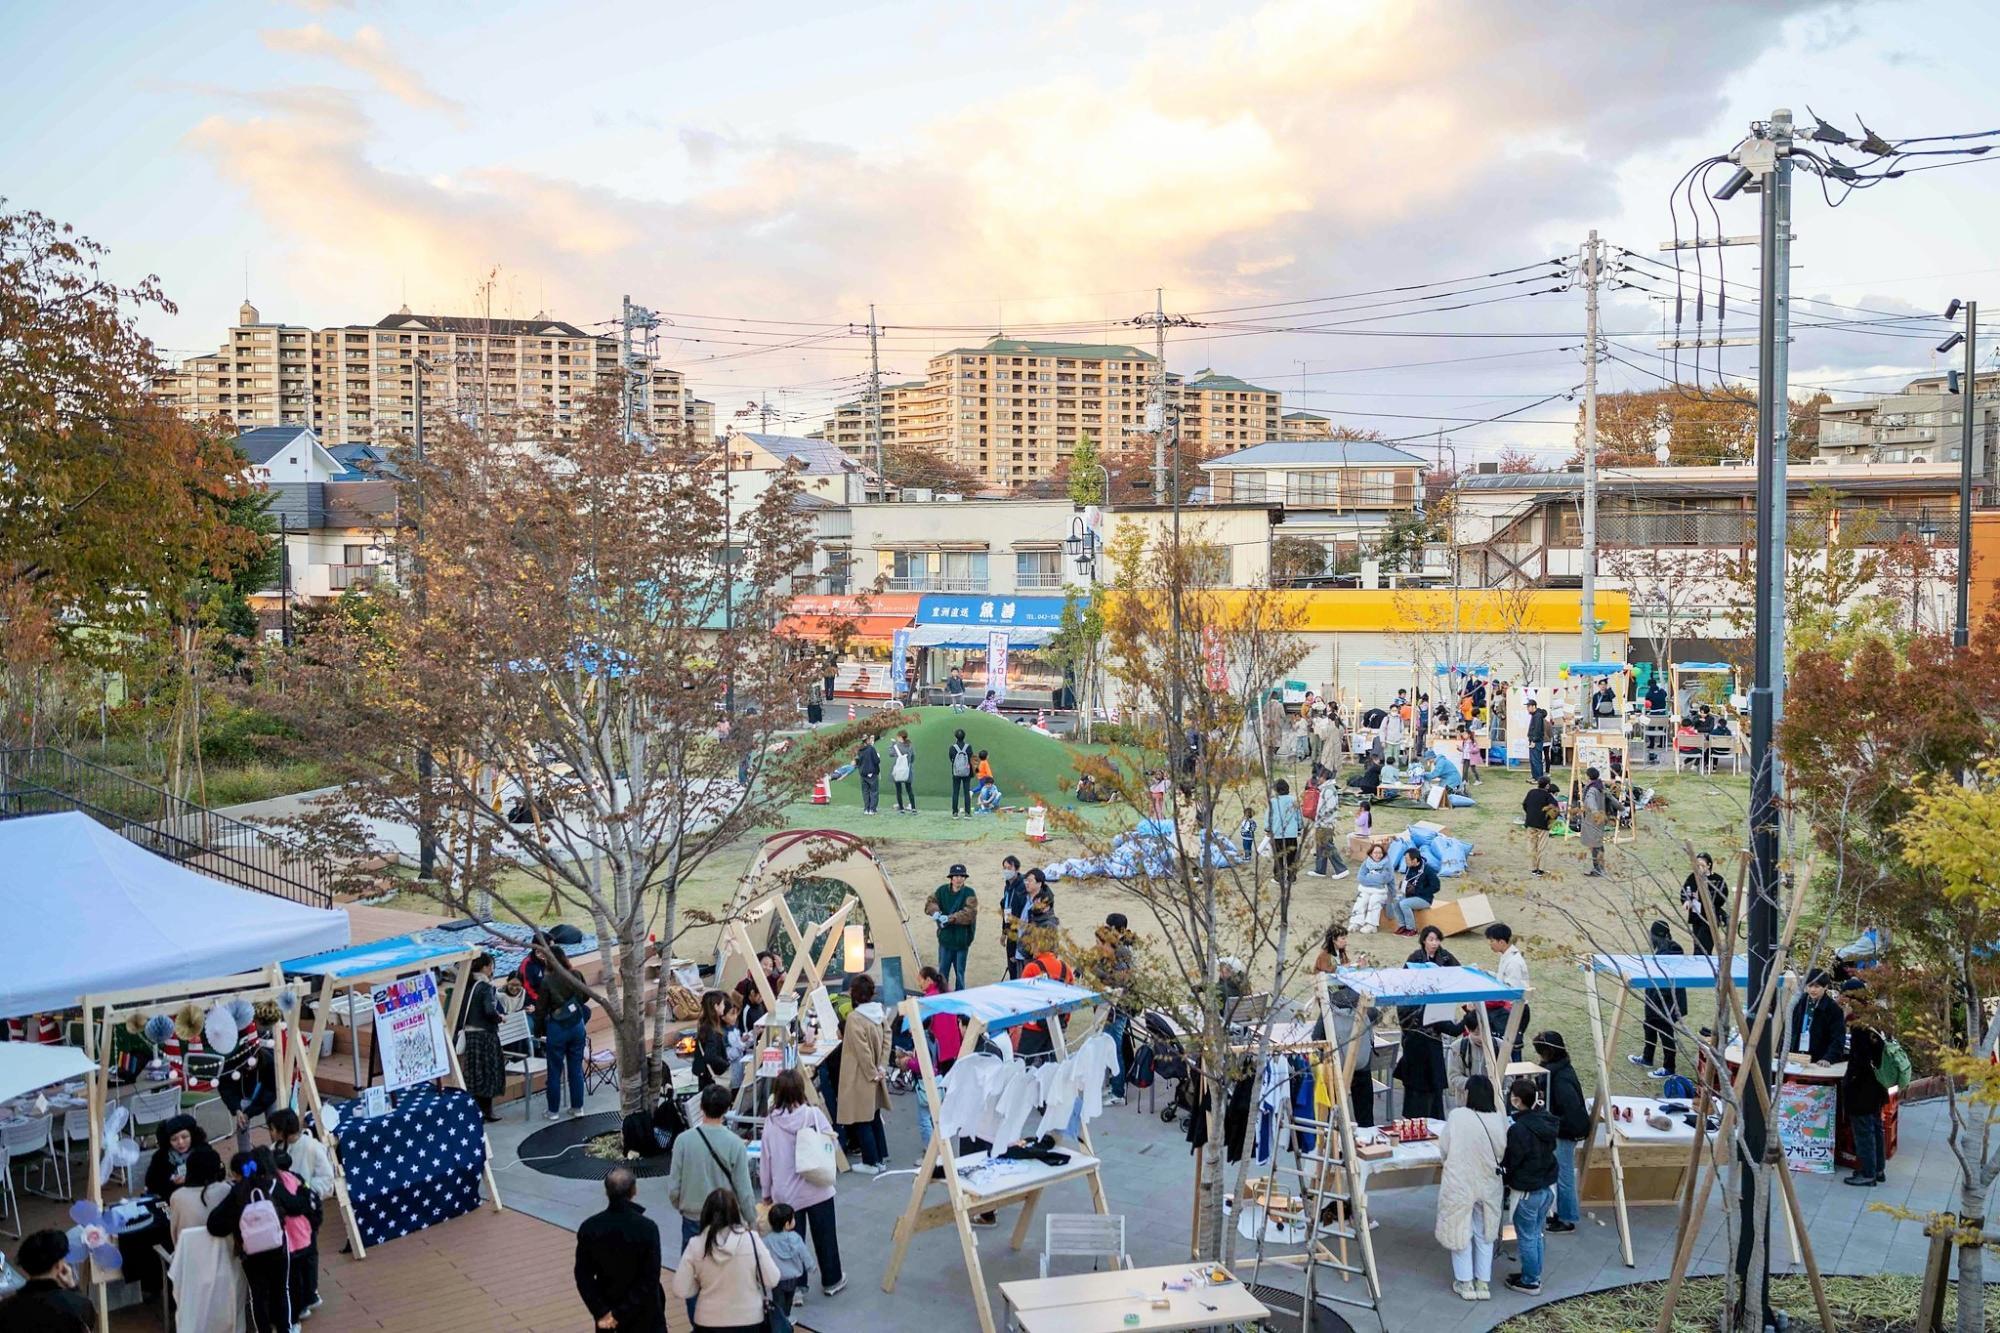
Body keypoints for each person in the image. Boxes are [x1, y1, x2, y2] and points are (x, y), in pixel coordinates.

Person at [206, 1147, 310, 1333]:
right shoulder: (271, 1185)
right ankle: (285, 1328)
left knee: (257, 1295)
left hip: (250, 1252)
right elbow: (296, 1206)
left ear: (236, 1173)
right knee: (281, 1290)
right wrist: (303, 1189)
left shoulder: (237, 1192)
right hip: (278, 1247)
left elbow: (214, 1224)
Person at [1436, 1074, 1507, 1302]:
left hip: (1460, 1181)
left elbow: (1444, 1147)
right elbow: (1503, 1151)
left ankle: (1465, 1282)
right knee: (1485, 1232)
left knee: (1459, 1231)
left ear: (1469, 1094)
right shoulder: (1499, 1119)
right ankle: (1483, 1283)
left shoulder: (1457, 1116)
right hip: (1489, 1182)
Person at [672, 1188, 782, 1333]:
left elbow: (680, 1289)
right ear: (736, 1212)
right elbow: (772, 1279)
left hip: (707, 1320)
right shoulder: (751, 1239)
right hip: (750, 1319)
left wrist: (699, 1284)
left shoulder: (696, 1244)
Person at [668, 1084, 758, 1260]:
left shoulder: (683, 1141)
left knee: (692, 1272)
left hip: (693, 1216)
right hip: (726, 1218)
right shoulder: (736, 1144)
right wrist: (750, 1219)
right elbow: (744, 1189)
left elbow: (674, 1186)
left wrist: (681, 1205)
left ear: (701, 1107)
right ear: (726, 1110)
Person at [575, 1167, 668, 1333]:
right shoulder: (647, 1228)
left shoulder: (590, 1228)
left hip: (608, 1310)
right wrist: (622, 1312)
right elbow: (650, 1277)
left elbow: (583, 1276)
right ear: (633, 1191)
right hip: (644, 1314)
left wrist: (602, 1311)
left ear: (607, 1192)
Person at [166, 1149, 246, 1333]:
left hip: (193, 1272)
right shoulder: (227, 1190)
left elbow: (177, 1238)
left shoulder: (177, 1198)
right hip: (228, 1269)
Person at [267, 1109, 332, 1316]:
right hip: (286, 1214)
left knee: (309, 1254)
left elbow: (327, 1178)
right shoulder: (274, 1149)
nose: (271, 1133)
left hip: (306, 1210)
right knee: (294, 1257)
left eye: (273, 1129)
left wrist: (304, 1190)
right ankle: (302, 1296)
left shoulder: (312, 1147)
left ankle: (309, 1294)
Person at [1500, 1077, 1559, 1295]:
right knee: (1536, 1233)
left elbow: (1513, 1160)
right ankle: (1532, 1274)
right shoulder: (1547, 1121)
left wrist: (1504, 1174)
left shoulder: (1519, 1130)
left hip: (1527, 1190)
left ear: (1516, 1100)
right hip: (1546, 1188)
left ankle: (1531, 1280)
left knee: (1526, 1236)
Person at [1393, 927, 1460, 1119]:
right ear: (1423, 940)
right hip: (1416, 1027)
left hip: (1437, 1013)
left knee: (1431, 1084)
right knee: (1416, 1084)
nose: (1434, 943)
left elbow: (1459, 975)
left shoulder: (1446, 957)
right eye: (1431, 939)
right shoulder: (1415, 957)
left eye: (1437, 939)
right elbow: (1404, 985)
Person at [1532, 1032, 1589, 1234]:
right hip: (1565, 1129)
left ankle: (1567, 1217)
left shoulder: (1559, 1079)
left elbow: (1570, 1110)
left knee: (1564, 1176)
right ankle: (1562, 1213)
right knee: (1561, 1175)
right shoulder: (1560, 1070)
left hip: (1566, 1132)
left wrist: (1553, 1125)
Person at [836, 974, 891, 1172]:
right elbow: (887, 1037)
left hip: (859, 1074)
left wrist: (871, 1072)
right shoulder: (879, 1012)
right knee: (874, 1115)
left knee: (861, 1117)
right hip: (876, 1071)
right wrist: (882, 1066)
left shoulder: (855, 1018)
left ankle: (870, 1162)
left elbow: (861, 1050)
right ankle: (880, 1158)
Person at [0, 1230, 92, 1332]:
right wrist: (73, 1287)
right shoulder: (78, 1305)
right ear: (59, 1265)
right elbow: (88, 1322)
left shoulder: (5, 1308)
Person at [1841, 992, 1889, 1187]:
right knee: (1875, 1127)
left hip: (1862, 1088)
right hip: (1877, 1085)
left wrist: (1848, 1081)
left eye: (1845, 1002)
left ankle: (1867, 1173)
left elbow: (1859, 1061)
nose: (1843, 1006)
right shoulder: (1875, 1022)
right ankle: (1878, 1169)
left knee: (1863, 1130)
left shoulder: (1859, 1029)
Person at [1631, 921, 1687, 1079]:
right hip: (1654, 999)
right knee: (1649, 1026)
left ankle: (1669, 1067)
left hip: (1666, 1002)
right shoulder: (1661, 951)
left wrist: (1660, 997)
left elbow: (1670, 983)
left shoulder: (1672, 952)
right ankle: (1647, 1058)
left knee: (1666, 1032)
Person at [540, 944, 591, 1119]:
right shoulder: (576, 975)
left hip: (557, 1028)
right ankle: (578, 1108)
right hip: (577, 1025)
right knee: (576, 1069)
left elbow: (541, 1009)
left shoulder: (547, 981)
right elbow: (586, 996)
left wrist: (540, 1031)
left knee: (554, 1070)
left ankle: (553, 1111)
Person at [1091, 913, 1137, 1104]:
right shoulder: (1110, 950)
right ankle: (1113, 1086)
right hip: (1110, 1004)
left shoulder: (1123, 952)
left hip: (1119, 1005)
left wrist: (1097, 971)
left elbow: (1122, 979)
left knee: (1115, 1048)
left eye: (1110, 928)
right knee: (1110, 1046)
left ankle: (1118, 1092)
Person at [459, 952, 506, 1121]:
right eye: (491, 966)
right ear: (486, 967)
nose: (492, 969)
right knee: (488, 1075)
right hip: (485, 1036)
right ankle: (488, 1111)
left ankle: (475, 1113)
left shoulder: (466, 986)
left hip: (470, 1037)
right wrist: (499, 1017)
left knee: (474, 1075)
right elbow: (489, 1011)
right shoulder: (485, 988)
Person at [923, 864, 978, 992]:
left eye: (962, 876)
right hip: (945, 941)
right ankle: (942, 997)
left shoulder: (970, 893)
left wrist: (950, 918)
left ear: (964, 878)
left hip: (961, 941)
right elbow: (930, 902)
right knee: (942, 975)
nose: (959, 879)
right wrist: (935, 911)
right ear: (951, 878)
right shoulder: (942, 890)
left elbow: (969, 913)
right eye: (956, 876)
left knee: (960, 975)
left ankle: (959, 1001)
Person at [1483, 924, 1530, 1059]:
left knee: (1512, 1046)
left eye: (1492, 941)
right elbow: (1503, 978)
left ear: (1501, 942)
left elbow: (1512, 990)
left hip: (1515, 1009)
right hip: (1509, 1008)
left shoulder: (1514, 962)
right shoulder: (1506, 956)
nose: (1490, 944)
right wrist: (1489, 974)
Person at [763, 1203, 817, 1317]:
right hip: (793, 1277)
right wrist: (811, 1266)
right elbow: (804, 1253)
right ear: (787, 1224)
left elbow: (762, 1256)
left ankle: (781, 1319)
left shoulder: (767, 1240)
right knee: (789, 1299)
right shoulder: (795, 1238)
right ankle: (787, 1316)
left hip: (777, 1278)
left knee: (778, 1300)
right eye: (793, 1218)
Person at [1788, 968, 1847, 1065]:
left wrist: (1828, 1058)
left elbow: (1838, 1037)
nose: (1812, 990)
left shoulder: (1833, 1009)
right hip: (1796, 1055)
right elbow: (1789, 1028)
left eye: (1817, 986)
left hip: (1819, 1058)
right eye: (1810, 986)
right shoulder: (1799, 1002)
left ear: (1825, 987)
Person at [145, 1113, 208, 1200]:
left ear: (192, 1136)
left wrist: (192, 1179)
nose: (180, 1142)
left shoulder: (203, 1151)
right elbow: (151, 1183)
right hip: (172, 1199)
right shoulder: (160, 1157)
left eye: (184, 1137)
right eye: (174, 1139)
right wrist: (172, 1183)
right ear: (168, 1141)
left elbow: (218, 1173)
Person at [1682, 852, 1728, 955]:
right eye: (1697, 865)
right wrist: (1686, 900)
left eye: (1702, 865)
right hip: (1696, 917)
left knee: (1703, 948)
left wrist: (1704, 896)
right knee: (1697, 945)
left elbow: (1721, 898)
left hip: (1709, 919)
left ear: (1709, 865)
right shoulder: (1692, 878)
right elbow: (1686, 890)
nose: (1699, 868)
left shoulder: (1717, 880)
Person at [1308, 768, 1349, 879]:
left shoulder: (1329, 790)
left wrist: (1321, 818)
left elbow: (1330, 808)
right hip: (1322, 823)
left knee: (1328, 846)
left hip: (1325, 823)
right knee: (1321, 847)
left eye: (1318, 777)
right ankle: (1320, 870)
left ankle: (1341, 869)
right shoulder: (1326, 789)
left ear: (1323, 777)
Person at [1390, 847, 1440, 935]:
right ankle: (1403, 926)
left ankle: (1411, 929)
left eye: (1407, 859)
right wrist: (1404, 885)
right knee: (1395, 900)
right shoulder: (1409, 867)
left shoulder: (1428, 870)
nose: (1405, 861)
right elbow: (1410, 881)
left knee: (1404, 904)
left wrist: (1417, 890)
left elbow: (1436, 887)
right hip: (1410, 896)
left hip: (1424, 898)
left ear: (1415, 860)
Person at [693, 989, 734, 1090]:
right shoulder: (711, 1029)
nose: (724, 1007)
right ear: (716, 1006)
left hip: (705, 1073)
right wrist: (726, 1064)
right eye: (722, 1004)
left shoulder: (705, 1025)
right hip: (711, 1076)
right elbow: (710, 1055)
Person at [998, 855, 1030, 979]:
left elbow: (1018, 913)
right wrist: (1004, 932)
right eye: (1004, 868)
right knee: (1012, 966)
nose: (1006, 870)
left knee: (1017, 967)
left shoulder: (1022, 887)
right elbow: (1006, 909)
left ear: (1016, 869)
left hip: (1019, 932)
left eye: (1009, 868)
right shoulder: (1007, 886)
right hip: (1010, 928)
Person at [1267, 778, 1302, 884]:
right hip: (1291, 833)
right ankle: (1291, 877)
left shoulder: (1273, 801)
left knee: (1279, 857)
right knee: (1291, 856)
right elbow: (1298, 815)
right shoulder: (1293, 800)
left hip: (1278, 833)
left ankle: (1279, 877)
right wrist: (1299, 826)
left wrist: (1267, 828)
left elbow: (1268, 817)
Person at [1522, 777, 1559, 877]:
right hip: (1543, 824)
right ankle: (1540, 869)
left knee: (1531, 845)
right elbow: (1555, 810)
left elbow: (1525, 804)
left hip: (1530, 822)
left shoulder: (1531, 792)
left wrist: (1530, 814)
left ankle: (1533, 868)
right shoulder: (1548, 796)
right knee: (1542, 846)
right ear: (1547, 785)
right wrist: (1550, 820)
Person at [1578, 766, 1608, 877]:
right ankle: (1600, 867)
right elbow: (1610, 798)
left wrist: (1595, 812)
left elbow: (1590, 801)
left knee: (1595, 845)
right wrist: (1620, 807)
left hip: (1594, 820)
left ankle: (1598, 869)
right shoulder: (1600, 786)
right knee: (1598, 844)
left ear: (1588, 776)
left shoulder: (1592, 789)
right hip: (1600, 818)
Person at [947, 728, 974, 818]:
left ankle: (955, 812)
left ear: (955, 737)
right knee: (966, 792)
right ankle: (967, 813)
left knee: (955, 792)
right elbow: (971, 758)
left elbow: (951, 758)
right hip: (967, 772)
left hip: (956, 772)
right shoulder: (968, 747)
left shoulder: (953, 747)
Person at [890, 730, 917, 813]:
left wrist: (892, 745)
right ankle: (913, 808)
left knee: (899, 790)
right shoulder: (910, 746)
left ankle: (901, 808)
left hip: (898, 770)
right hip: (907, 770)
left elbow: (891, 754)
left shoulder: (896, 746)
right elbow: (913, 758)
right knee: (909, 790)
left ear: (900, 737)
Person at [854, 735, 881, 815]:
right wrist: (878, 757)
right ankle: (872, 809)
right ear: (868, 740)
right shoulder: (871, 749)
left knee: (865, 792)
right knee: (874, 791)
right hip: (872, 773)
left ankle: (866, 808)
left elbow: (857, 762)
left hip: (863, 774)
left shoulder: (860, 750)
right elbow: (876, 761)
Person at [1525, 699, 1548, 781]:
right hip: (1533, 740)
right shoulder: (1535, 715)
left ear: (1533, 706)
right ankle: (1534, 776)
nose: (1527, 708)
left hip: (1536, 741)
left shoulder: (1538, 716)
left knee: (1536, 760)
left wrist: (1534, 740)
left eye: (1529, 706)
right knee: (1533, 760)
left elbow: (1537, 730)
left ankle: (1539, 778)